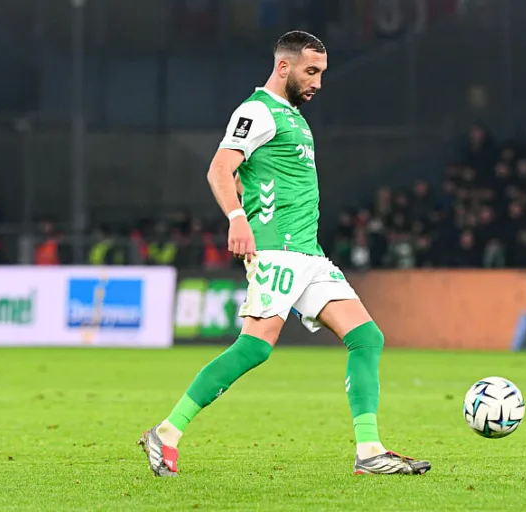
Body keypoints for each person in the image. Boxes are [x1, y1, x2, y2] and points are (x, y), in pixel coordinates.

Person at [139, 30, 431, 477]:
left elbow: (249, 175)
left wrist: (249, 196)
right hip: (278, 250)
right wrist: (238, 218)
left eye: (322, 73)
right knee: (255, 348)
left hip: (308, 254)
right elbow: (220, 168)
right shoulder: (257, 111)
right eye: (310, 71)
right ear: (283, 67)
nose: (317, 82)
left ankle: (370, 450)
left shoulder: (292, 116)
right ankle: (167, 431)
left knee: (367, 337)